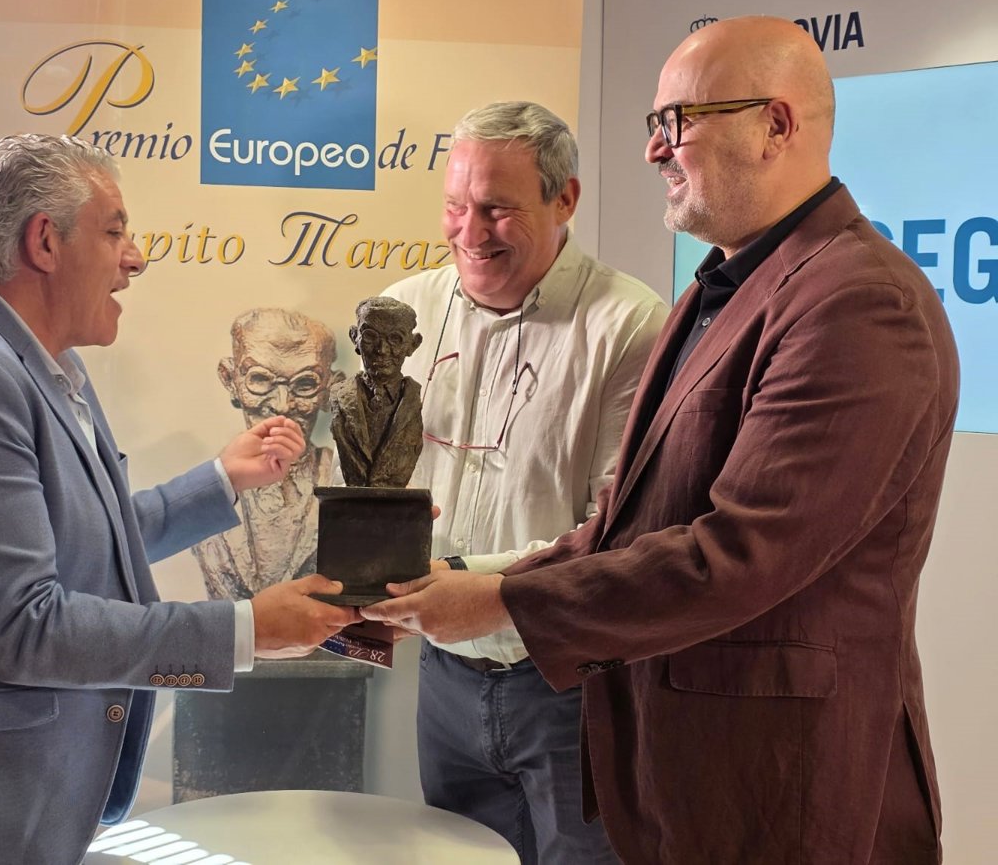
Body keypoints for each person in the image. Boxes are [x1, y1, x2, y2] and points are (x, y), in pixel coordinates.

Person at [363, 17, 958, 864]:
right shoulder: (725, 288)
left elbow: (741, 554)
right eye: (655, 123)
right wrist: (483, 588)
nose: (653, 150)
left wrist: (501, 602)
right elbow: (628, 525)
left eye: (679, 121)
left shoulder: (859, 301)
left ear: (775, 125)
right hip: (681, 760)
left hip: (782, 780)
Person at [0, 134, 357, 865]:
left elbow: (81, 541)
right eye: (114, 231)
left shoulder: (46, 364)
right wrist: (246, 630)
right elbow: (22, 626)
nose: (136, 258)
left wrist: (222, 480)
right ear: (44, 241)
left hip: (12, 806)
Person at [381, 101, 667, 863]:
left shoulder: (630, 326)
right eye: (455, 205)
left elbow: (618, 535)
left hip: (570, 686)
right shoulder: (404, 314)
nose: (469, 233)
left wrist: (467, 582)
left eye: (496, 209)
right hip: (443, 683)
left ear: (564, 199)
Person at [192, 308, 344, 599]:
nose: (283, 405)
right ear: (230, 379)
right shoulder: (207, 491)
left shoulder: (343, 481)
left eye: (305, 383)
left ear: (329, 389)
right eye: (260, 379)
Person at [329, 296, 424, 488]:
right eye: (371, 336)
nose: (382, 350)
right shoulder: (340, 396)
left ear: (412, 345)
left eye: (395, 339)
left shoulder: (412, 401)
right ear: (355, 338)